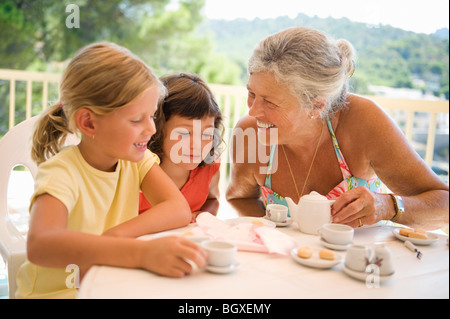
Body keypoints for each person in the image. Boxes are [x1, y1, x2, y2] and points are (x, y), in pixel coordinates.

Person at [16, 43, 206, 299]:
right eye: (136, 119)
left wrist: (116, 235)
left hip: (108, 287)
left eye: (151, 116)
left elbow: (178, 208)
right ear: (89, 122)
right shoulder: (62, 172)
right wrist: (141, 253)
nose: (151, 129)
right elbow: (41, 246)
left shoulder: (136, 161)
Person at [226, 27, 448, 230]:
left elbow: (444, 205)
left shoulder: (364, 121)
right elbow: (239, 198)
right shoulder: (250, 133)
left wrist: (387, 206)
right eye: (251, 94)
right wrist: (274, 234)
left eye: (270, 102)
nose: (253, 112)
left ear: (316, 105)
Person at [139, 73, 223, 222]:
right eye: (184, 133)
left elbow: (212, 200)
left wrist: (204, 214)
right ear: (157, 128)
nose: (196, 145)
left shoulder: (209, 169)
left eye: (206, 134)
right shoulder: (137, 169)